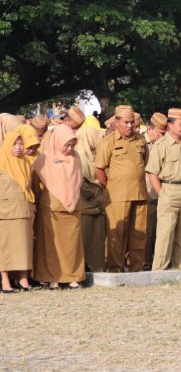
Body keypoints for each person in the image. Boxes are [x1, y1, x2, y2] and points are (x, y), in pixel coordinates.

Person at [95, 105, 149, 272]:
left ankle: (136, 269)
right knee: (117, 234)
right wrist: (110, 186)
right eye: (126, 122)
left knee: (139, 234)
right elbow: (99, 169)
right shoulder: (108, 142)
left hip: (139, 193)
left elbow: (144, 162)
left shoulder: (140, 140)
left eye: (132, 122)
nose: (130, 126)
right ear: (117, 122)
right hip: (117, 195)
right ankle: (115, 268)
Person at [32, 125, 85, 289]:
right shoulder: (44, 158)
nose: (69, 149)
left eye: (72, 145)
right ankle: (52, 277)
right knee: (51, 246)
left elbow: (78, 182)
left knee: (72, 245)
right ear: (57, 141)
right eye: (66, 145)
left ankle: (73, 276)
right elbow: (35, 184)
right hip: (51, 209)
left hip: (73, 208)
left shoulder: (76, 158)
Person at [145, 109, 181, 270]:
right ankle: (159, 271)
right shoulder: (161, 145)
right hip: (169, 189)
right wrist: (162, 193)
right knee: (165, 234)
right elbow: (152, 172)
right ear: (170, 125)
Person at [0, 127, 36, 293]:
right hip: (6, 212)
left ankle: (23, 278)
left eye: (21, 144)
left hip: (24, 209)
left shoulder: (26, 163)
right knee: (5, 248)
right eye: (14, 144)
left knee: (23, 246)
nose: (19, 147)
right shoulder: (1, 162)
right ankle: (5, 281)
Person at [75, 126, 107, 272]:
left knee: (98, 240)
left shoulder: (93, 155)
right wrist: (97, 196)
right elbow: (80, 182)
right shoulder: (79, 155)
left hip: (98, 205)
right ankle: (85, 268)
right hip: (86, 205)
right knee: (86, 239)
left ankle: (97, 267)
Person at [144, 112, 168, 269]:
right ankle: (145, 263)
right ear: (150, 129)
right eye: (160, 133)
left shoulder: (164, 144)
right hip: (147, 193)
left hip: (162, 195)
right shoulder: (141, 143)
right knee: (147, 232)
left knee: (161, 233)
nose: (162, 136)